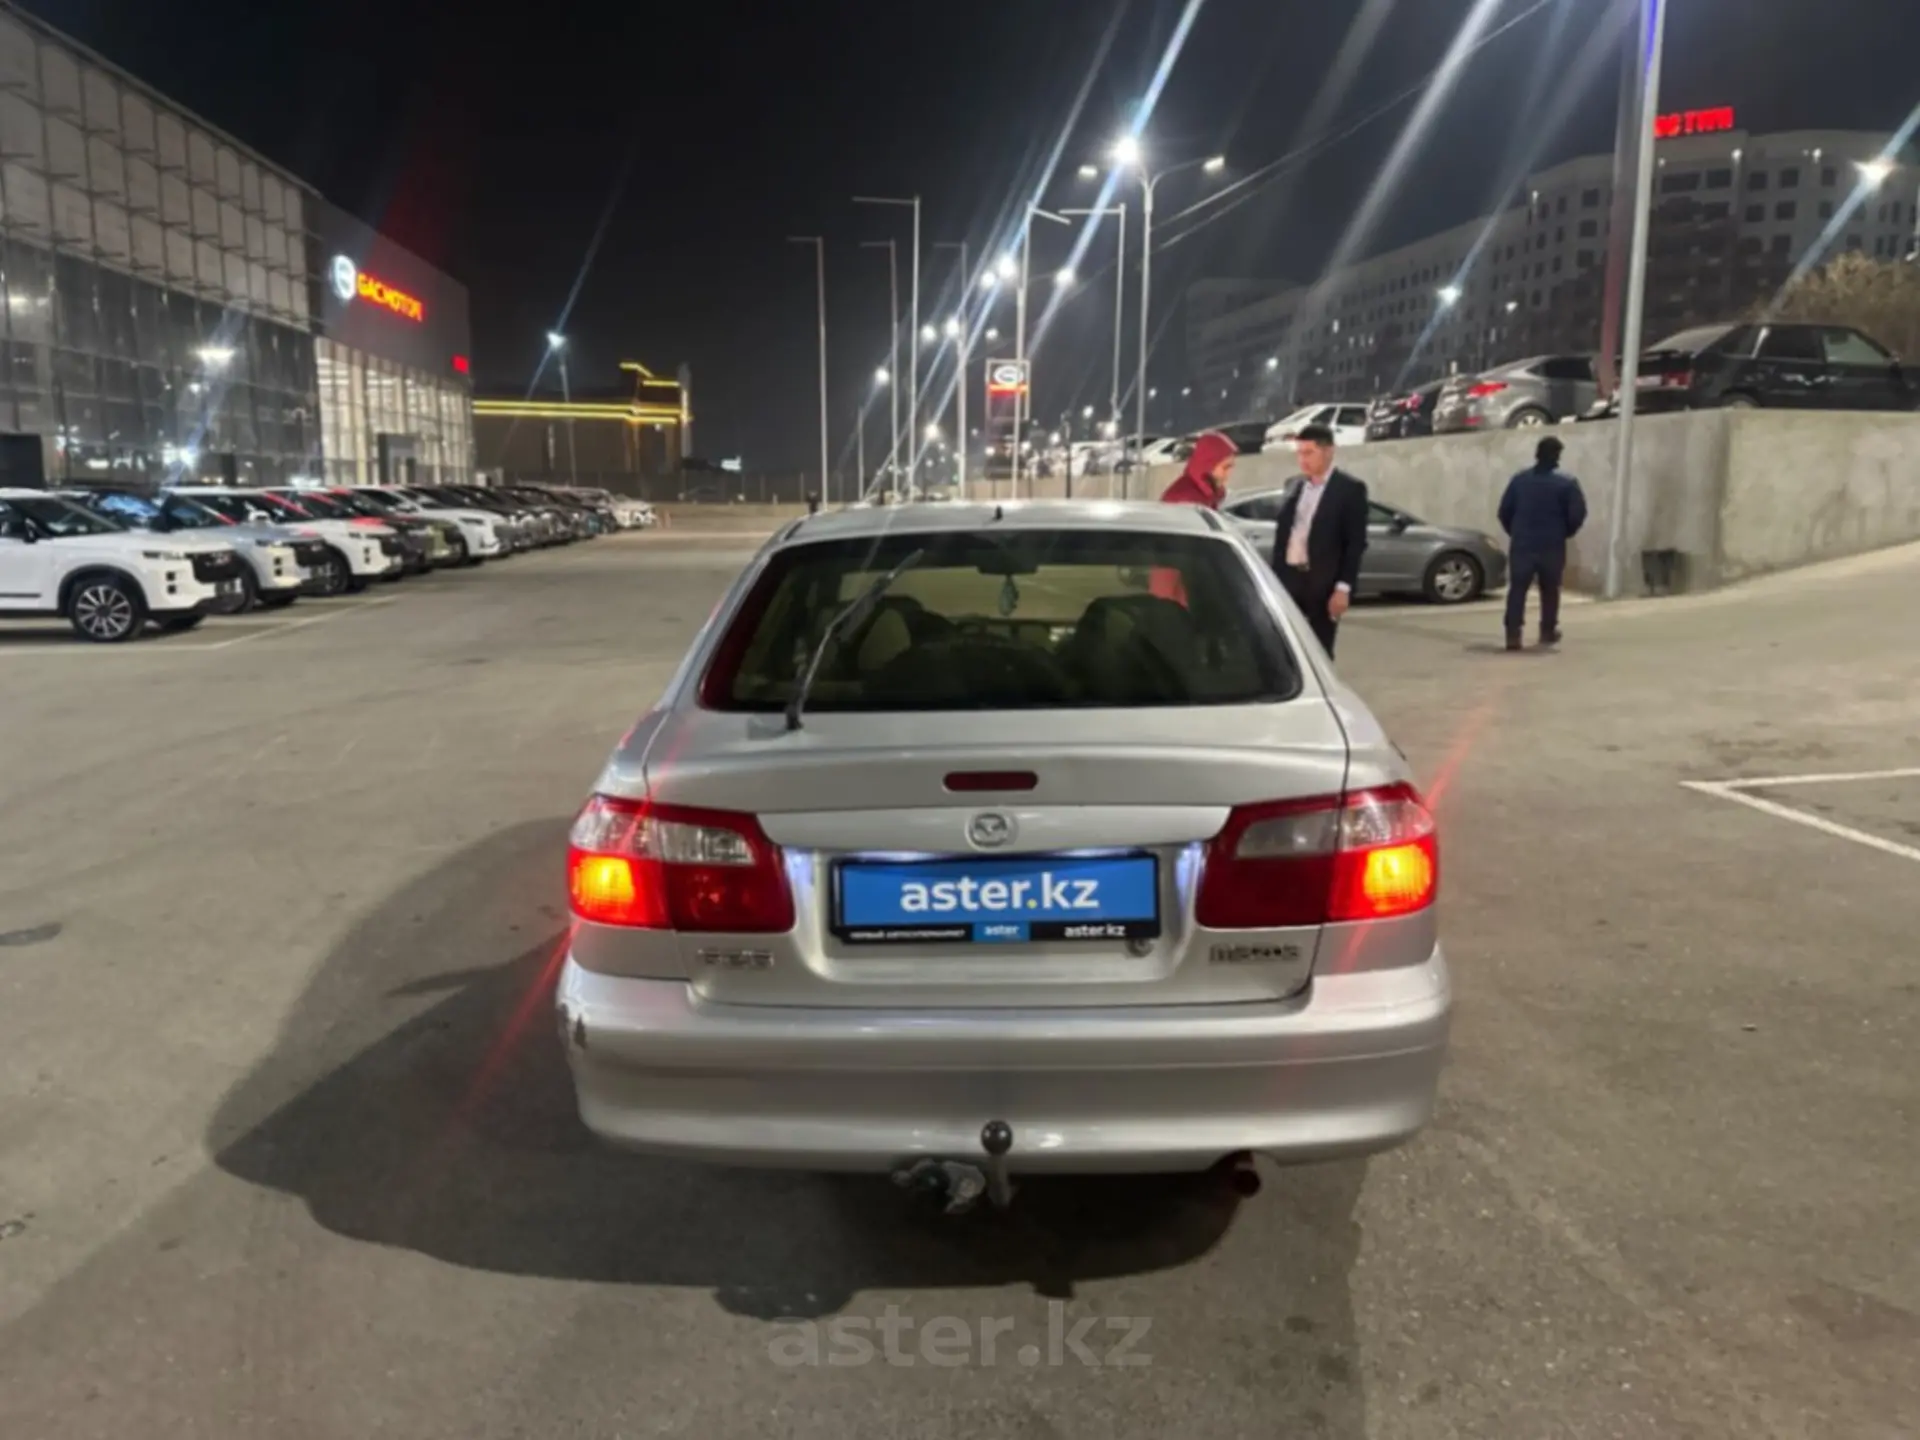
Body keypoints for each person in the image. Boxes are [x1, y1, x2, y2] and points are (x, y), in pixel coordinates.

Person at [1270, 423, 1369, 657]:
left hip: (1323, 584)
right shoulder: (1293, 485)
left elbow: (1355, 544)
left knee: (1319, 651)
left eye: (1309, 453)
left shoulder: (1349, 490)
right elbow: (1284, 534)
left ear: (1328, 451)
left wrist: (1343, 588)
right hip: (1288, 579)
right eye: (1299, 453)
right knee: (1284, 649)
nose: (1302, 460)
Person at [1497, 435, 1587, 651]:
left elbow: (1504, 512)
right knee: (1550, 589)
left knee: (1518, 589)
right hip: (1551, 544)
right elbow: (1577, 514)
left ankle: (1513, 634)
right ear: (1556, 456)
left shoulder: (1519, 481)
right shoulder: (1566, 483)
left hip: (1523, 544)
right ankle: (1547, 630)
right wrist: (1564, 532)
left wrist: (1515, 532)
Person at [1149, 431, 1237, 604]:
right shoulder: (1185, 498)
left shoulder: (1205, 495)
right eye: (1225, 467)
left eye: (1231, 467)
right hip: (1179, 588)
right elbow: (1172, 557)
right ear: (1209, 464)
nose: (1228, 474)